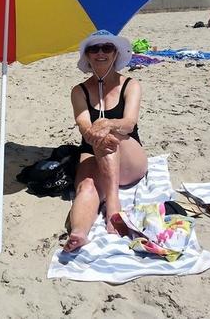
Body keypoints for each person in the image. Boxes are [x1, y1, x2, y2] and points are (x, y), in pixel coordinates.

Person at [63, 30, 148, 253]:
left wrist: (107, 124)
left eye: (107, 48)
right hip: (93, 151)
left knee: (108, 133)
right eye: (94, 49)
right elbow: (83, 125)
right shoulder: (79, 91)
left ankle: (112, 205)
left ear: (115, 53)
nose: (100, 53)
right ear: (87, 56)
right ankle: (79, 233)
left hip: (129, 157)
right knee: (86, 186)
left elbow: (129, 124)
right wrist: (95, 131)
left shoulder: (130, 85)